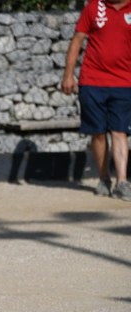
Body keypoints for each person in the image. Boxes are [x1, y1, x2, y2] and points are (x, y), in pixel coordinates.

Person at [61, 0, 131, 201]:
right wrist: (68, 75)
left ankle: (122, 182)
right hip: (92, 81)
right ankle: (103, 178)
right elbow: (77, 40)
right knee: (98, 132)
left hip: (125, 82)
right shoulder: (94, 7)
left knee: (120, 131)